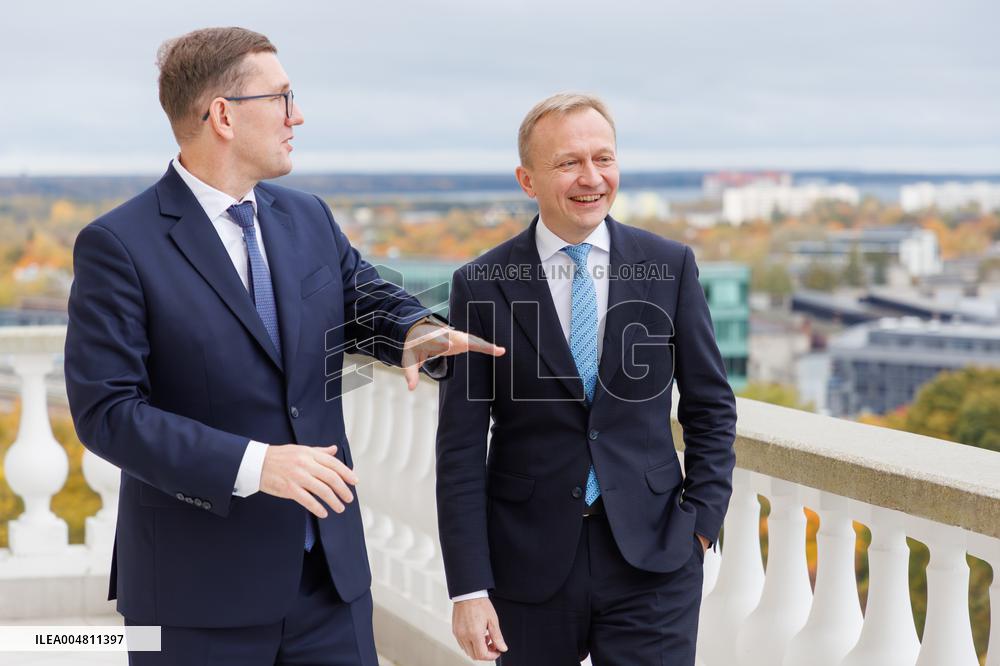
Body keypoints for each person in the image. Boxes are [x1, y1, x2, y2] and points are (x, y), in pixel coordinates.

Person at [64, 26, 502, 666]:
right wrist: (256, 465)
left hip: (332, 583)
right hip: (195, 597)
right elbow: (107, 413)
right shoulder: (119, 246)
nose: (298, 116)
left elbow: (360, 299)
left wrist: (414, 331)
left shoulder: (308, 217)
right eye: (282, 98)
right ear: (222, 116)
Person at [435, 93, 737, 665]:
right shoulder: (480, 284)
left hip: (654, 559)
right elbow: (460, 447)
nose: (591, 178)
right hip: (526, 569)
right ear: (527, 179)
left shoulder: (669, 266)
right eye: (568, 162)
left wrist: (699, 527)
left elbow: (711, 408)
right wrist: (469, 588)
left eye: (604, 158)